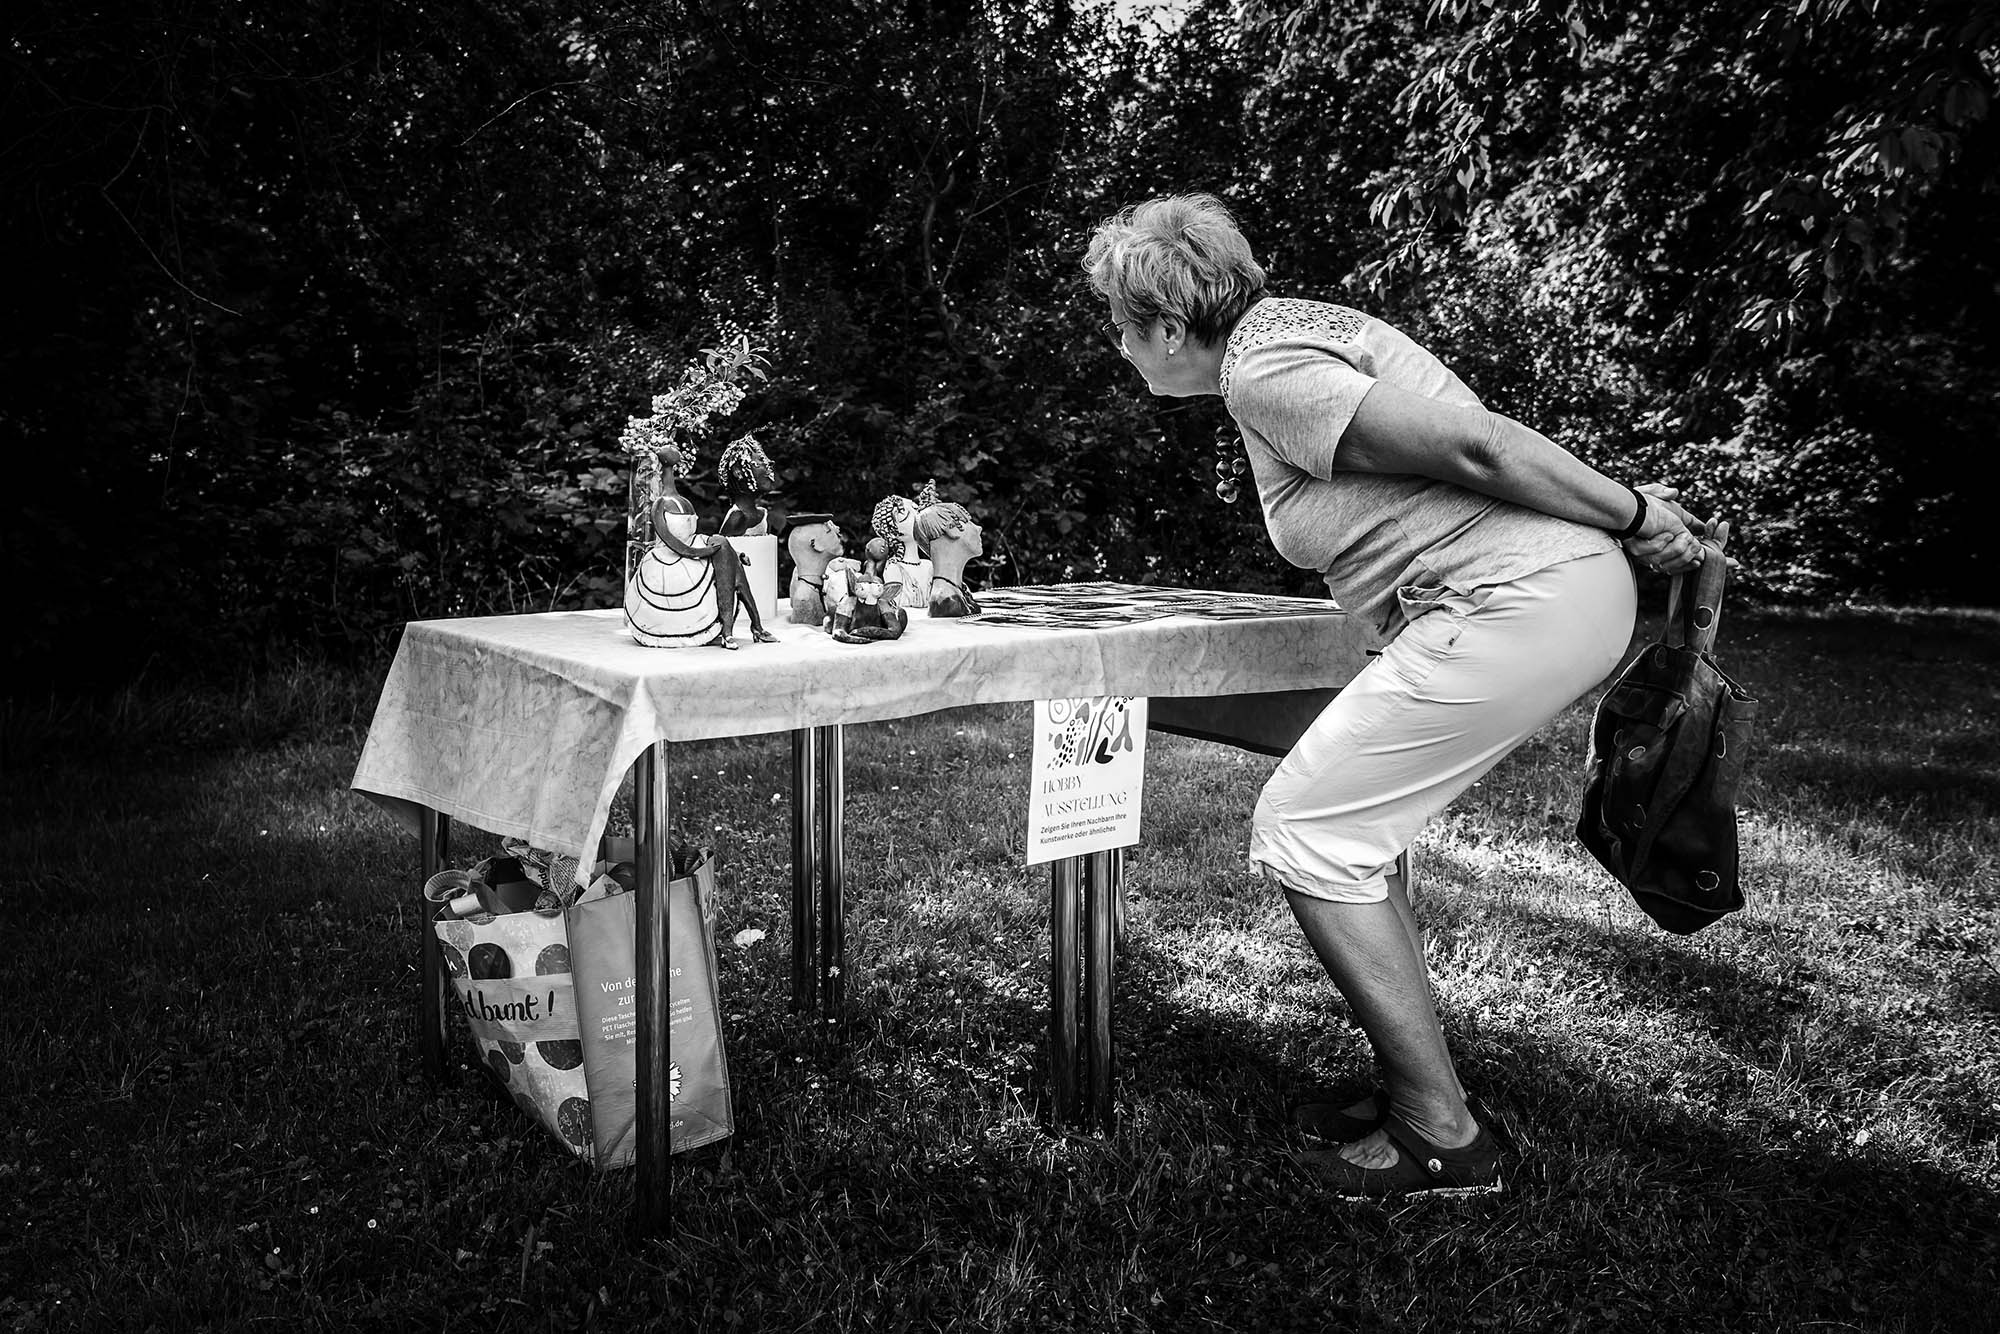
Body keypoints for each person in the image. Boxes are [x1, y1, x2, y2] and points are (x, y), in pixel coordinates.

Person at [1082, 193, 1709, 1199]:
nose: (1117, 347)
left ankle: (1441, 1133)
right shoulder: (1292, 332)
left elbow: (1479, 447)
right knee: (1350, 820)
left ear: (1164, 325)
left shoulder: (1266, 371)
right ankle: (1413, 1086)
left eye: (1119, 326)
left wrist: (1636, 514)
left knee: (1309, 829)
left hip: (1519, 598)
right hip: (1534, 594)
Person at [913, 499, 984, 617]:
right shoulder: (946, 599)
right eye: (967, 521)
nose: (979, 528)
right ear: (952, 529)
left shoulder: (958, 593)